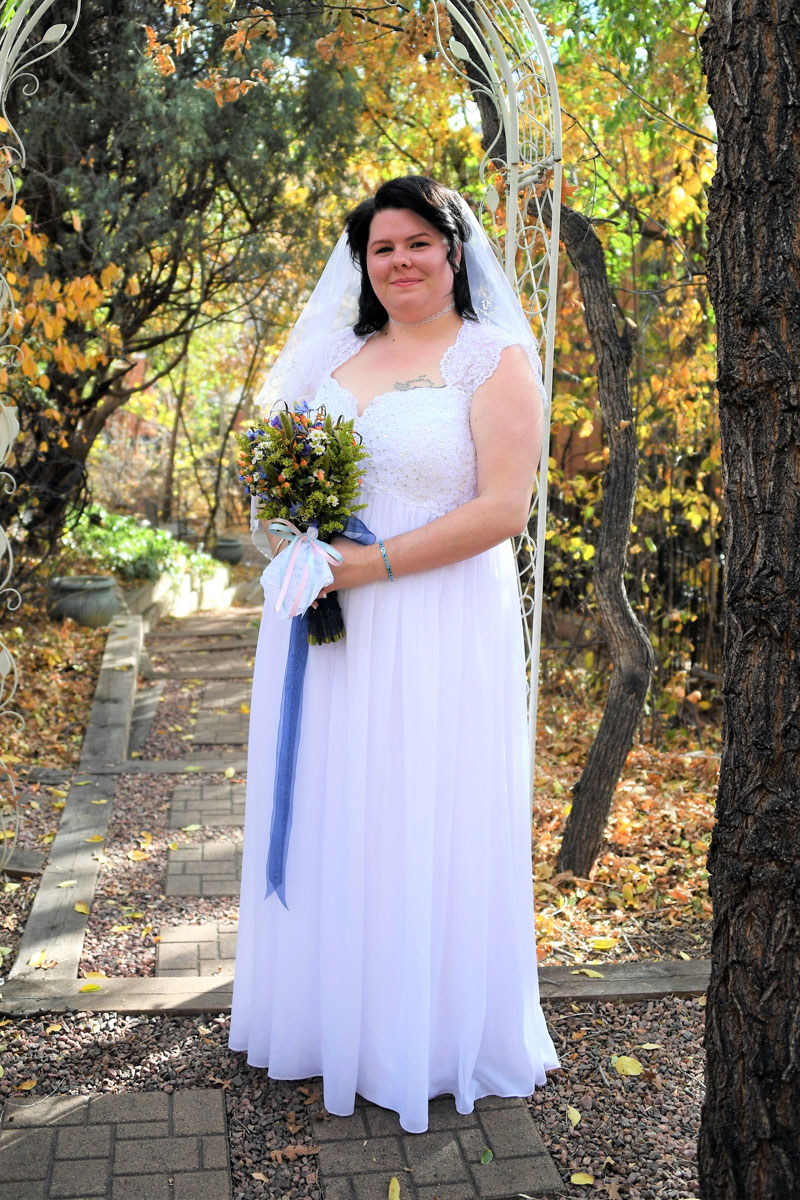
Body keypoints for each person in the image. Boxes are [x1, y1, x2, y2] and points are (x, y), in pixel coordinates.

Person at [229, 175, 559, 1134]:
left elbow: (504, 509)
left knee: (421, 804)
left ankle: (421, 1031)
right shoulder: (337, 354)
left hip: (435, 620)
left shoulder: (493, 358)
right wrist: (294, 542)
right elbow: (275, 471)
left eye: (419, 242)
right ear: (363, 265)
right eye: (382, 248)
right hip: (325, 619)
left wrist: (364, 567)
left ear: (454, 252)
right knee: (338, 800)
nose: (401, 261)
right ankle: (330, 1019)